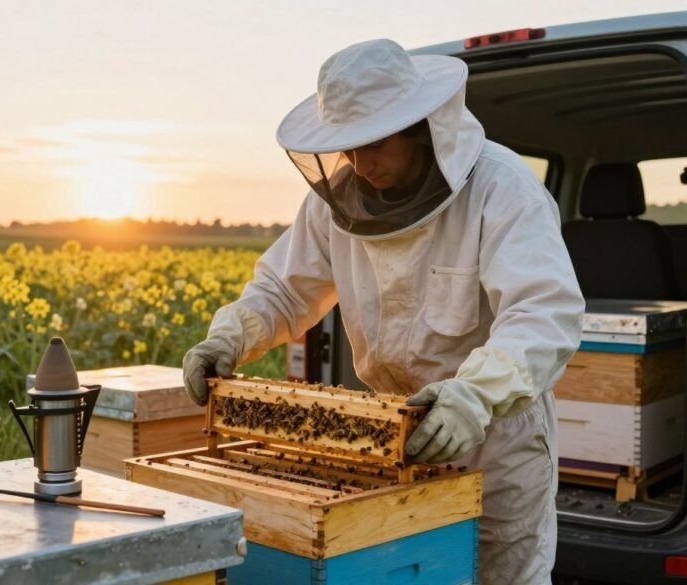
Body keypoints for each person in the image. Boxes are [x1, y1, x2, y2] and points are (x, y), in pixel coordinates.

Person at [182, 38, 584, 585]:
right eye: (346, 147)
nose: (358, 164)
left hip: (494, 436)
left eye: (372, 145)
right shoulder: (336, 202)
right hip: (394, 435)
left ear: (420, 128)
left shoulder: (501, 188)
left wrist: (473, 396)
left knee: (501, 577)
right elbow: (284, 289)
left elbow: (543, 312)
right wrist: (230, 337)